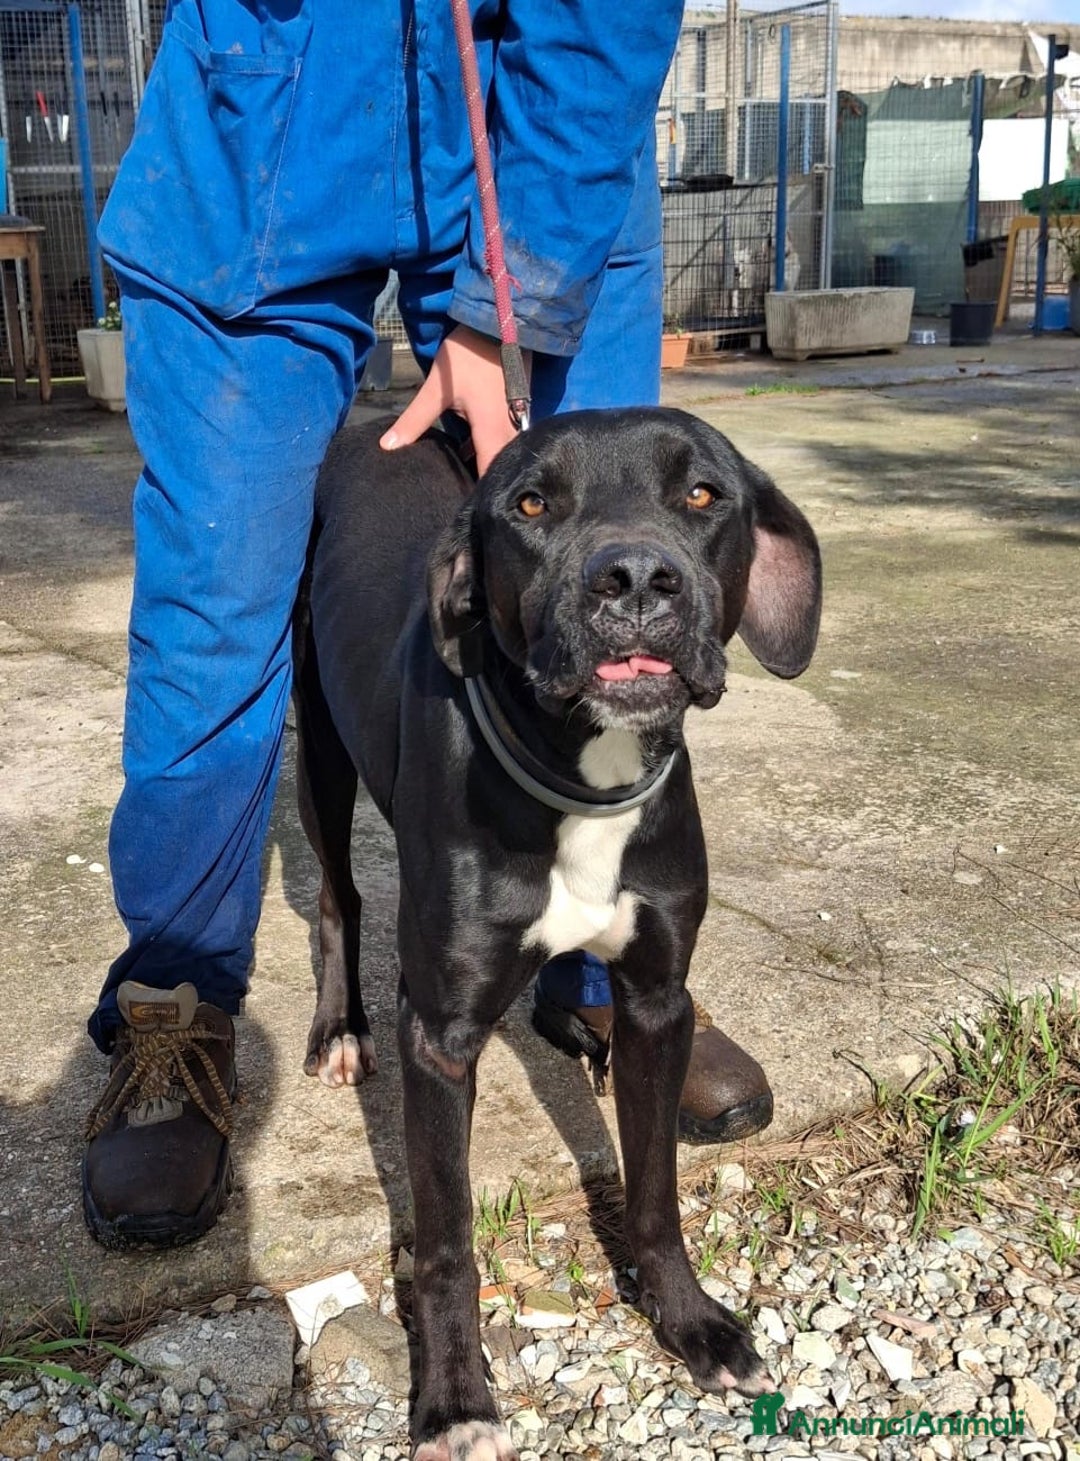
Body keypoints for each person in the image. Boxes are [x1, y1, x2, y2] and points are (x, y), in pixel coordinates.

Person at [82, 0, 774, 1250]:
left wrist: (518, 297)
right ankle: (175, 998)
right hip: (264, 118)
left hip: (542, 112)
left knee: (614, 596)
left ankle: (600, 965)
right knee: (214, 611)